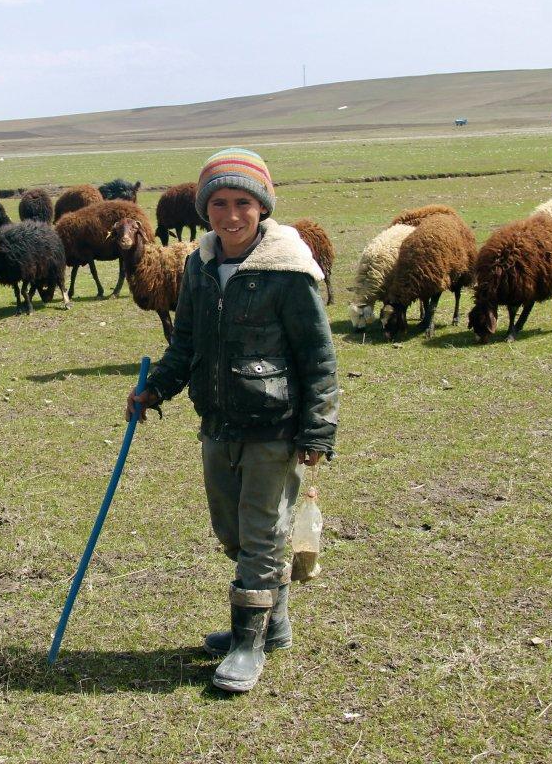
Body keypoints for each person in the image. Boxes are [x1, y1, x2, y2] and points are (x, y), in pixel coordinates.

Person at [127, 147, 339, 693]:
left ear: (262, 206)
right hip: (218, 421)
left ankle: (248, 643)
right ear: (205, 210)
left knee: (262, 535)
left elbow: (318, 356)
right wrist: (156, 388)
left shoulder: (288, 270)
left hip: (274, 423)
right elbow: (186, 342)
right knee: (232, 532)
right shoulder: (198, 266)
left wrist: (318, 427)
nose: (230, 215)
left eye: (242, 202)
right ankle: (274, 623)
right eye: (218, 203)